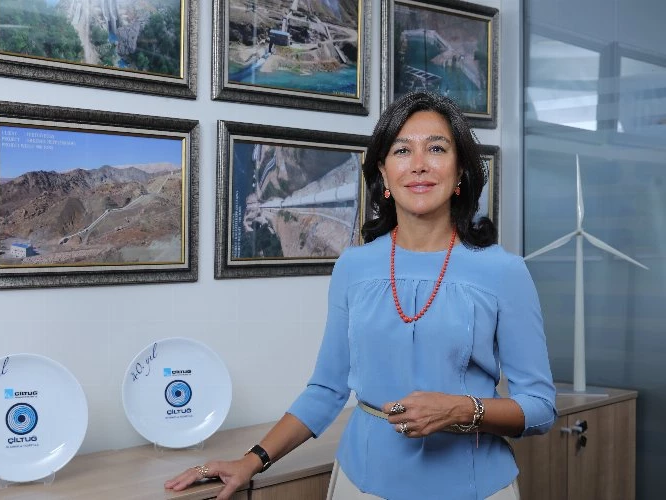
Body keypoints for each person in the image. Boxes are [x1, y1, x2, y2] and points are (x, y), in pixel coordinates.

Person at [164, 91, 557, 500]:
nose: (419, 164)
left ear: (460, 172)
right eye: (402, 150)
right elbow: (326, 390)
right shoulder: (353, 267)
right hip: (361, 484)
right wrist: (251, 460)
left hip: (476, 487)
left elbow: (540, 407)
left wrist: (461, 409)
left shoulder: (504, 272)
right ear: (383, 174)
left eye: (436, 148)